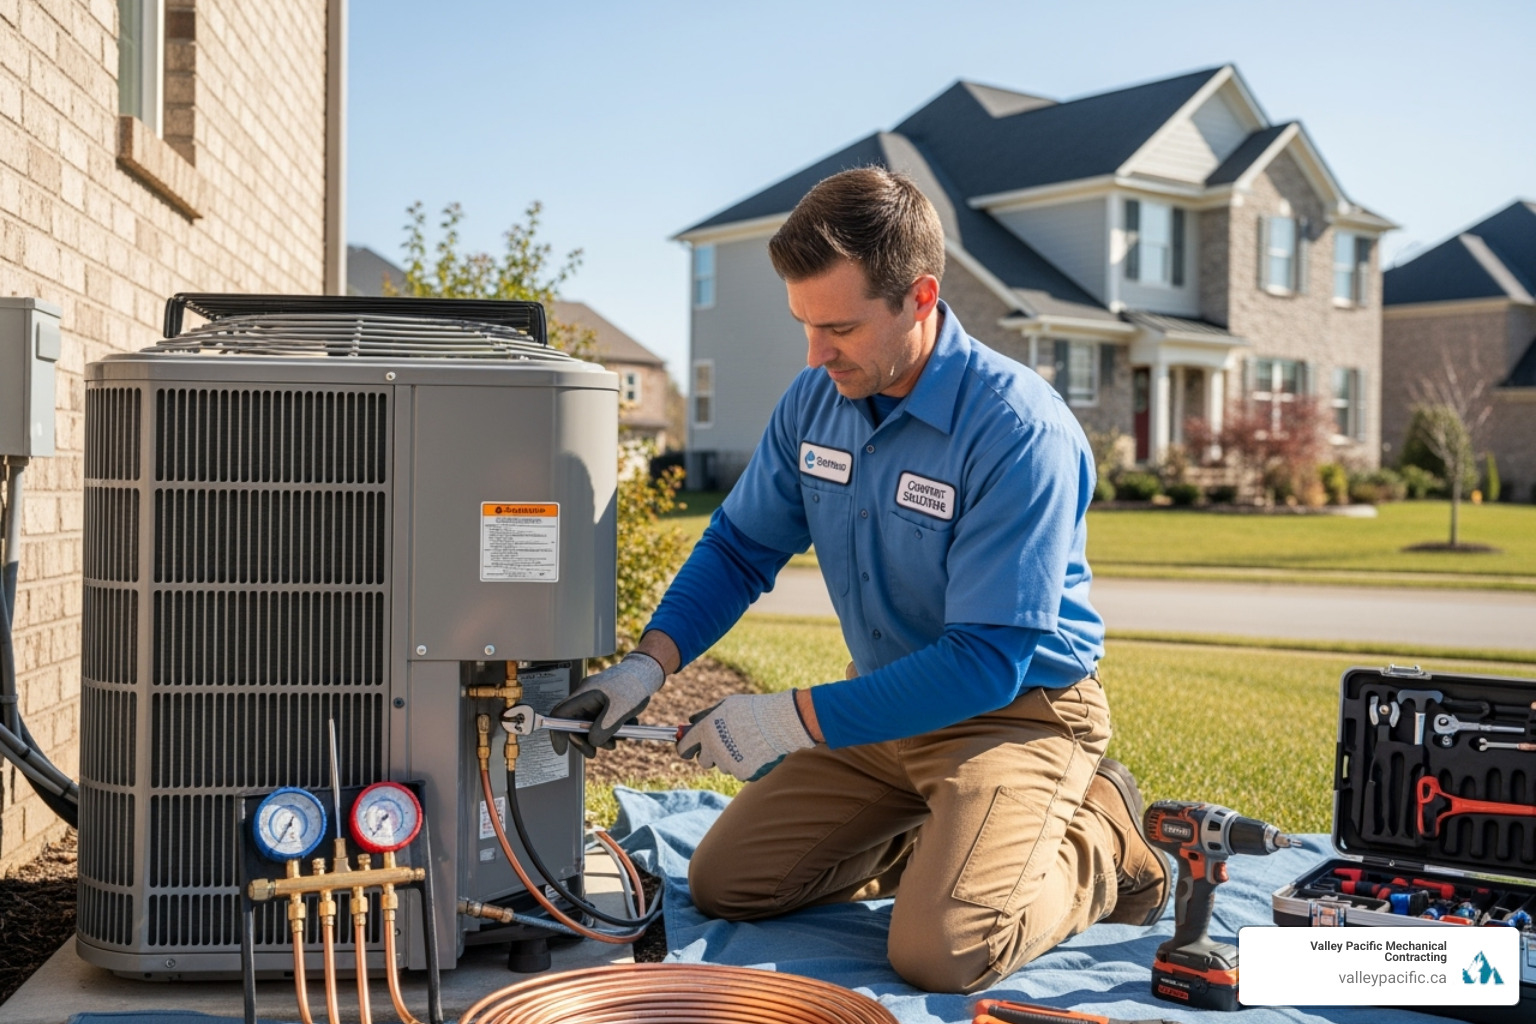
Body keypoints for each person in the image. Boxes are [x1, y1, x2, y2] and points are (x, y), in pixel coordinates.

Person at [549, 166, 1170, 994]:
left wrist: (787, 720)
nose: (814, 354)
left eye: (838, 327)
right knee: (728, 884)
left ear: (919, 298)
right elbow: (738, 549)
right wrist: (645, 666)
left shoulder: (1018, 430)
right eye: (804, 325)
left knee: (943, 952)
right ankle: (954, 843)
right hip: (884, 710)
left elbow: (986, 662)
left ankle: (1102, 835)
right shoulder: (816, 402)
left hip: (1016, 716)